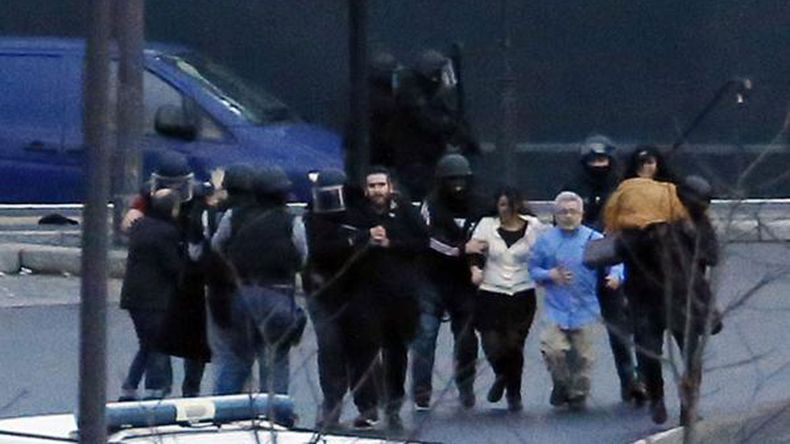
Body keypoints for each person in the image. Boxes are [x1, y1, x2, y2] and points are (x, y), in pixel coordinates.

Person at [603, 145, 690, 424]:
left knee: (672, 348)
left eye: (650, 162)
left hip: (663, 288)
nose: (646, 168)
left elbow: (611, 229)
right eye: (642, 163)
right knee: (659, 349)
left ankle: (678, 400)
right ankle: (662, 398)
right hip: (650, 290)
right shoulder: (668, 196)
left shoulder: (657, 194)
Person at [561, 135, 645, 403]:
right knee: (571, 327)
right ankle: (569, 383)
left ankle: (630, 380)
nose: (599, 165)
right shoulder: (573, 188)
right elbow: (560, 224)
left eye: (603, 160)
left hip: (613, 263)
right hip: (580, 265)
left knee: (619, 325)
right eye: (594, 160)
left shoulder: (621, 186)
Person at [343, 166, 428, 430]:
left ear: (390, 186)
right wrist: (367, 238)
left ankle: (393, 403)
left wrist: (392, 244)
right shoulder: (357, 212)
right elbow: (344, 244)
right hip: (366, 293)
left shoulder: (405, 211)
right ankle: (367, 406)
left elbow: (422, 242)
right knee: (364, 351)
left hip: (400, 295)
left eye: (381, 185)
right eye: (372, 186)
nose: (377, 190)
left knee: (396, 351)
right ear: (365, 189)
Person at [211, 166, 308, 395]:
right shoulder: (290, 221)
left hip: (242, 293)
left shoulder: (233, 216)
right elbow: (303, 255)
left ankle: (223, 408)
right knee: (274, 362)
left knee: (236, 360)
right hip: (278, 294)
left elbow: (217, 245)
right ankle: (274, 411)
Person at [121, 152, 209, 398]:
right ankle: (158, 389)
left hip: (186, 276)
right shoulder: (147, 201)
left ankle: (184, 390)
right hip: (168, 281)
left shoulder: (199, 199)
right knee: (159, 342)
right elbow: (128, 222)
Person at [530, 192, 624, 409]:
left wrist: (615, 277)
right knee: (552, 349)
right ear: (555, 215)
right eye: (563, 212)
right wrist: (550, 274)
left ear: (581, 214)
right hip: (556, 307)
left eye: (573, 212)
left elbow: (616, 263)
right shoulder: (546, 241)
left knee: (584, 358)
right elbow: (533, 269)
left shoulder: (593, 239)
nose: (568, 216)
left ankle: (578, 394)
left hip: (586, 307)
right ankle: (561, 384)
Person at [303, 168, 376, 429]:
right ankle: (332, 406)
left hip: (357, 290)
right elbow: (321, 250)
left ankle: (367, 405)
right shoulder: (313, 217)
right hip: (324, 293)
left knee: (362, 349)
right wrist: (357, 239)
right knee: (330, 350)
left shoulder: (361, 212)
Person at [410, 153, 484, 410]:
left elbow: (490, 233)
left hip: (464, 282)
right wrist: (460, 249)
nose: (457, 185)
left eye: (461, 180)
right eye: (452, 180)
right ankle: (421, 390)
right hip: (431, 279)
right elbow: (427, 238)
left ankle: (466, 386)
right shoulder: (430, 205)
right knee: (425, 335)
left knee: (466, 338)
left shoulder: (479, 205)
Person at [468, 186, 546, 412]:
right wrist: (475, 269)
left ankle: (514, 392)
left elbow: (546, 251)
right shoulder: (487, 225)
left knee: (514, 344)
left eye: (509, 205)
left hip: (522, 291)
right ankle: (501, 374)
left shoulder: (534, 226)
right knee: (491, 342)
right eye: (501, 205)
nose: (505, 210)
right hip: (491, 290)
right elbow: (474, 250)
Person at [382, 49, 478, 199]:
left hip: (429, 158)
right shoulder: (412, 92)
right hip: (415, 160)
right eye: (441, 73)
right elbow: (429, 121)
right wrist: (448, 116)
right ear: (432, 75)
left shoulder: (431, 94)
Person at [119, 189, 183, 400]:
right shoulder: (167, 233)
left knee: (147, 343)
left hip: (133, 296)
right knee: (157, 345)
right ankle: (154, 390)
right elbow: (172, 266)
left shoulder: (140, 227)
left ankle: (130, 386)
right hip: (155, 298)